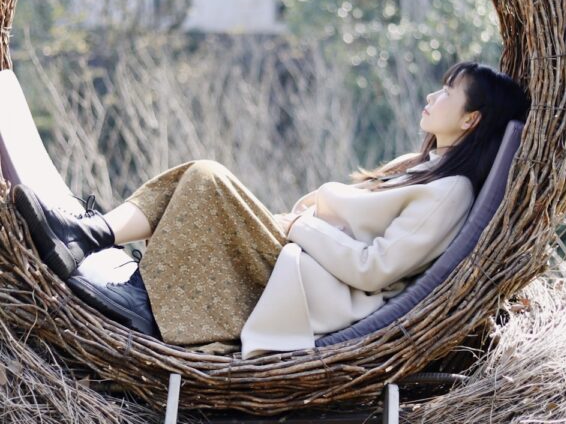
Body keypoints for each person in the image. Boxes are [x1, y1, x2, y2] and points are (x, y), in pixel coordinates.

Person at [12, 60, 530, 358]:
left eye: (448, 92)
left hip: (311, 286)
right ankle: (90, 238)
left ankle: (120, 274)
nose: (432, 96)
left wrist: (302, 225)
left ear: (470, 119)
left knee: (207, 177)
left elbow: (375, 270)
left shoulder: (450, 192)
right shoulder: (421, 166)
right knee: (196, 178)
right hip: (297, 255)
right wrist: (303, 220)